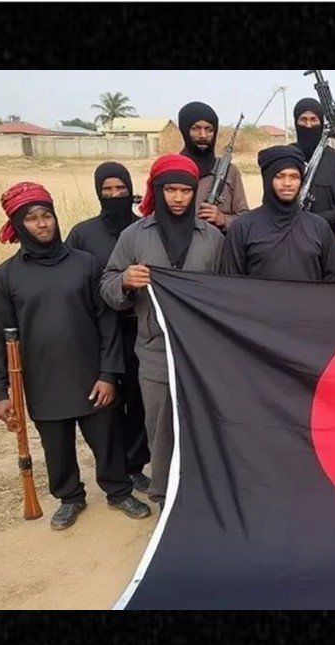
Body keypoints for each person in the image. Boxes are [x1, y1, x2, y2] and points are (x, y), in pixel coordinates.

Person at [0, 182, 151, 530]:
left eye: (47, 215)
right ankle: (70, 497)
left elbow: (107, 323)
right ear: (18, 225)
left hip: (91, 375)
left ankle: (119, 490)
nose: (42, 224)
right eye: (31, 219)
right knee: (56, 446)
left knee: (107, 439)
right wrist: (1, 392)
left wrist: (108, 373)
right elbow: (0, 337)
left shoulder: (85, 264)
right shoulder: (4, 277)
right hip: (42, 378)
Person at [100, 155, 225, 510]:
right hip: (155, 353)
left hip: (203, 355)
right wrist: (125, 281)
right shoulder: (134, 235)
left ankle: (205, 498)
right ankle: (165, 501)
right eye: (170, 189)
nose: (178, 197)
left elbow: (227, 291)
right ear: (157, 190)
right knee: (161, 431)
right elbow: (107, 283)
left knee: (205, 426)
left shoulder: (212, 238)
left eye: (186, 190)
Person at [65, 162, 152, 493]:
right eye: (108, 190)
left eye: (121, 189)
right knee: (106, 406)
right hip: (99, 333)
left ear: (131, 190)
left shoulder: (144, 228)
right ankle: (113, 470)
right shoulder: (82, 234)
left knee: (139, 399)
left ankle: (135, 464)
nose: (115, 195)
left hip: (138, 328)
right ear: (98, 192)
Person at [220, 145, 335, 281]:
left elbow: (332, 282)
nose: (287, 183)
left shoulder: (318, 227)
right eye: (280, 176)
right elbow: (230, 284)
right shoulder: (243, 227)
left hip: (309, 302)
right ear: (267, 179)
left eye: (294, 177)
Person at [291, 98, 335, 244]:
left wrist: (322, 218)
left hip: (325, 239)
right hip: (289, 238)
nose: (308, 125)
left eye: (313, 120)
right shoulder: (286, 156)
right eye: (303, 120)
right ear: (295, 122)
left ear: (321, 123)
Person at [177, 101, 250, 232]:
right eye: (196, 128)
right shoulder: (171, 168)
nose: (203, 135)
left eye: (209, 129)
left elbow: (245, 217)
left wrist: (223, 220)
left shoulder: (230, 171)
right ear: (184, 129)